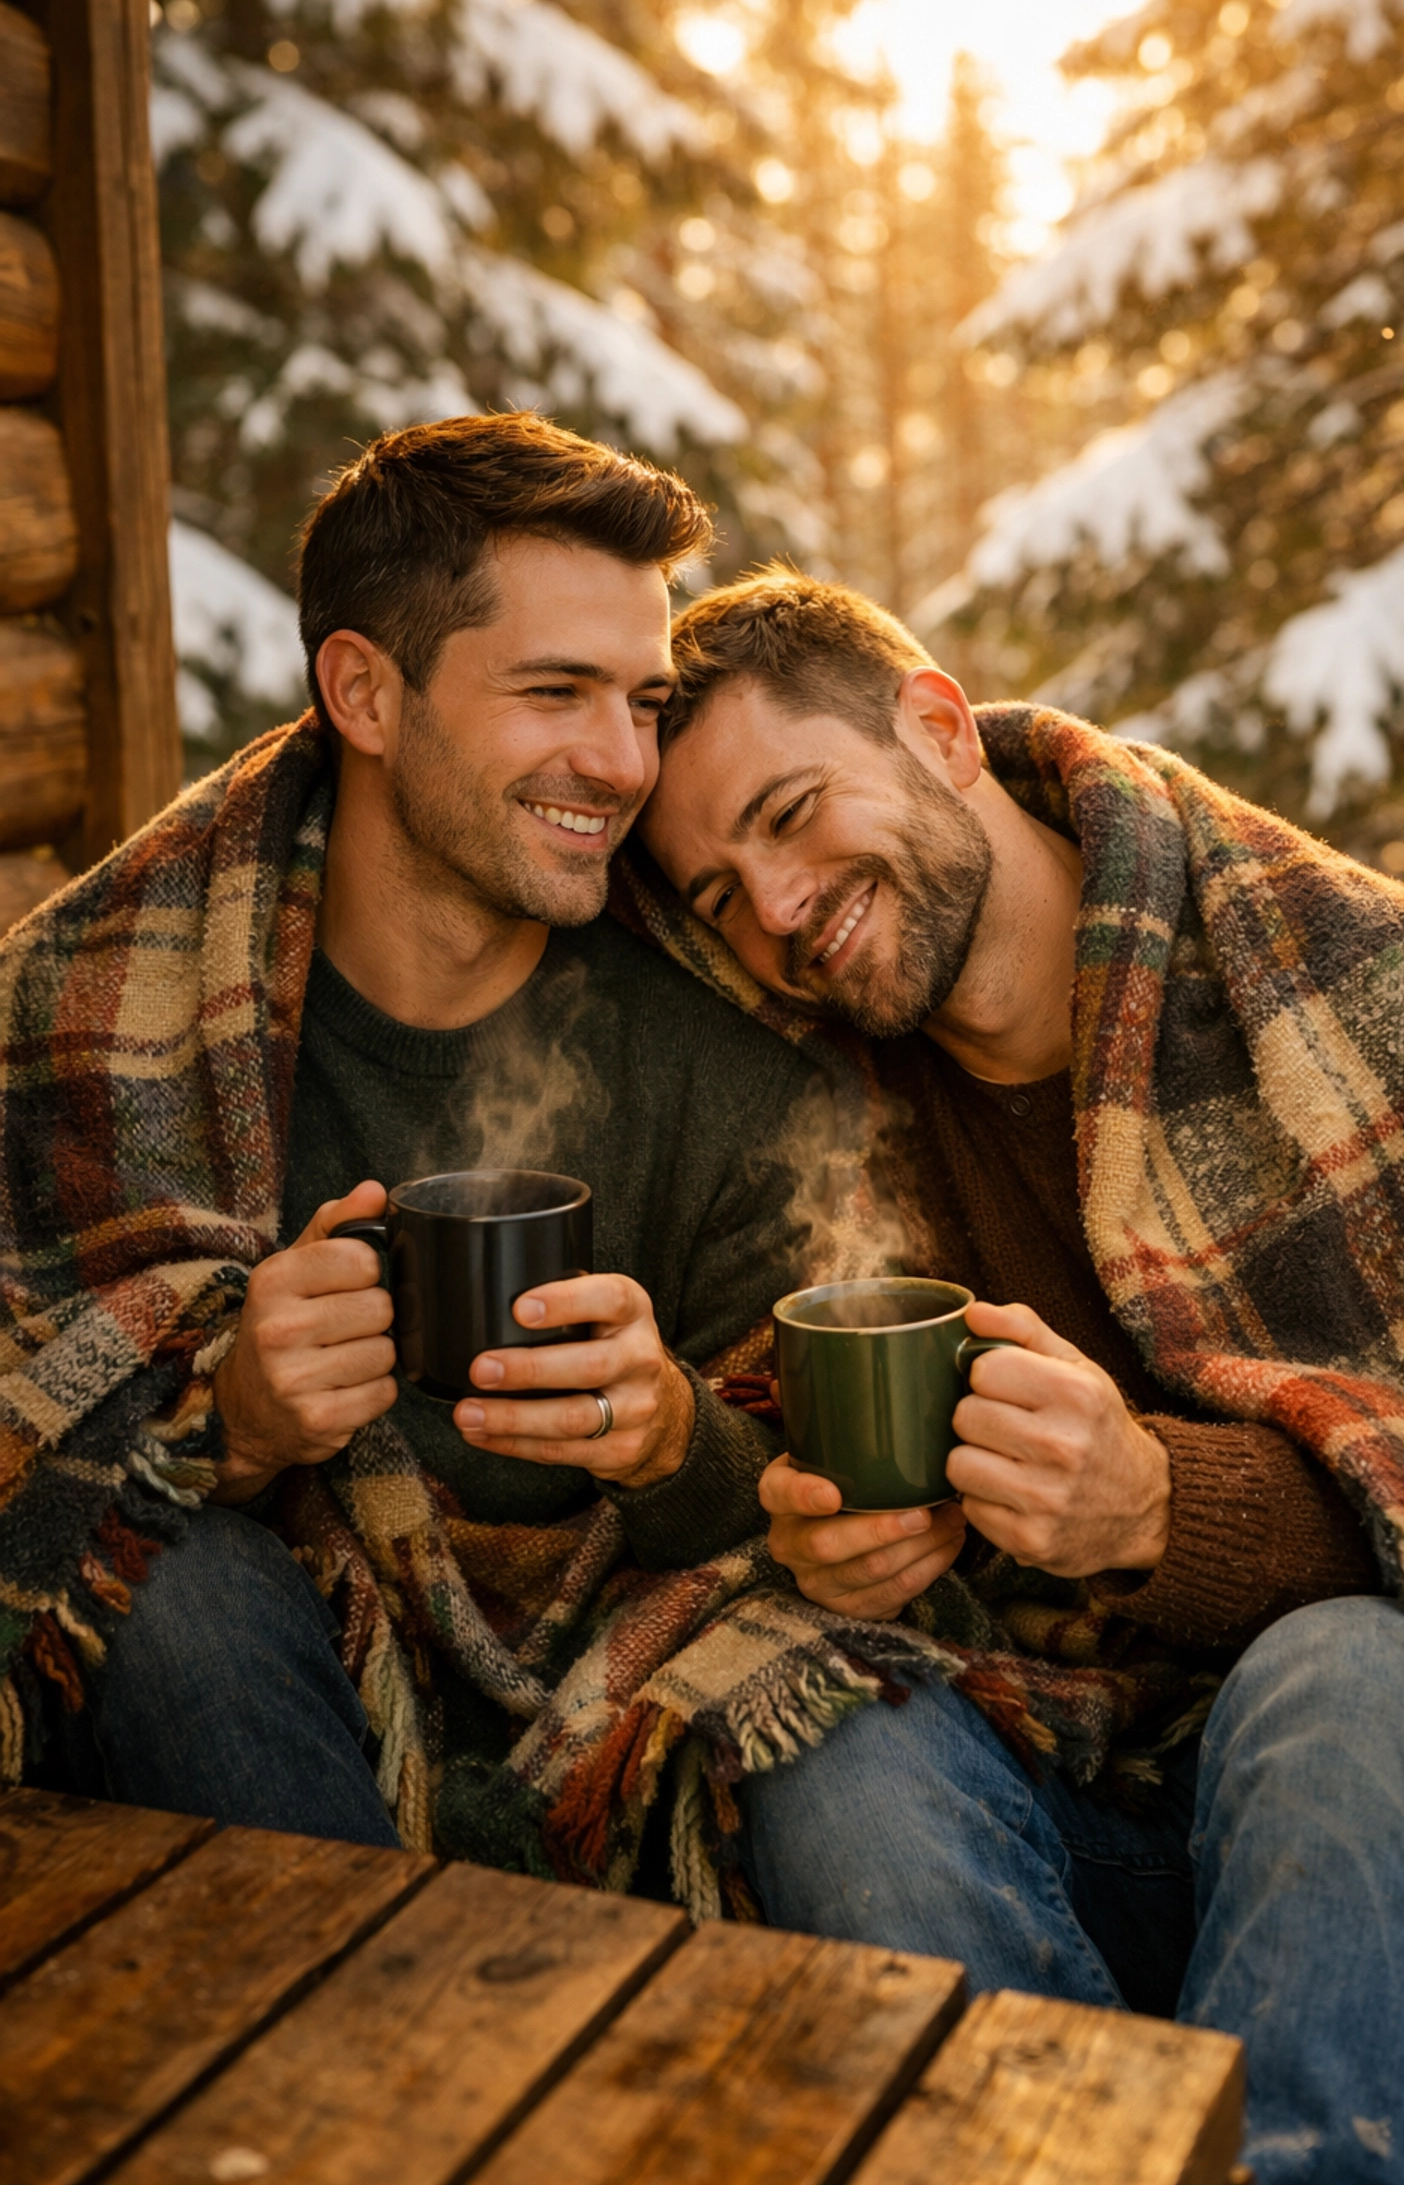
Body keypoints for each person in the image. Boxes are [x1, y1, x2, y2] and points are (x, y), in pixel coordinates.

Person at [638, 566, 1404, 2185]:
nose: (775, 911)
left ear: (935, 727)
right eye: (717, 894)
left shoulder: (1377, 996)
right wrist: (851, 1547)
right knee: (829, 1737)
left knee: (1341, 1675)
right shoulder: (820, 1114)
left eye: (790, 812)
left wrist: (1153, 1506)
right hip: (1107, 1806)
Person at [4, 415, 821, 1862]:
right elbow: (44, 1465)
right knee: (177, 1581)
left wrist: (673, 1433)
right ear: (366, 696)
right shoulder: (118, 1010)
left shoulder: (718, 1057)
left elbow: (827, 1503)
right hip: (268, 1706)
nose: (622, 761)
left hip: (624, 1737)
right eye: (557, 692)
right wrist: (236, 1428)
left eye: (642, 699)